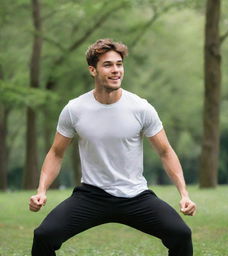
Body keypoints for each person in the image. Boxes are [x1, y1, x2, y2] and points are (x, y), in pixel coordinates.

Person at [29, 38, 196, 256]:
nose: (116, 70)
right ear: (93, 70)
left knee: (181, 234)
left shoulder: (141, 108)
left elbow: (165, 152)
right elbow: (56, 153)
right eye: (108, 65)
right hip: (91, 196)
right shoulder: (74, 109)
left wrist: (184, 194)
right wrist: (41, 190)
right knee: (44, 236)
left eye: (119, 64)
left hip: (135, 196)